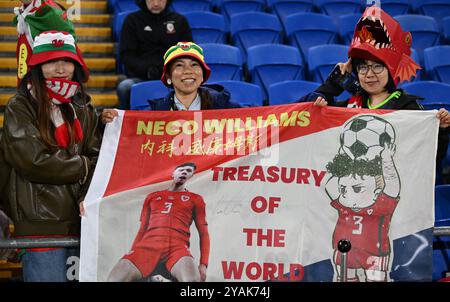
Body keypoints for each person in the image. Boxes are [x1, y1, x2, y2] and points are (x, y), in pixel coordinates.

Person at [0, 31, 101, 282]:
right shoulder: (20, 105)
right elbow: (34, 161)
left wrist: (87, 194)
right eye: (50, 61)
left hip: (84, 222)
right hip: (39, 224)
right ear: (37, 66)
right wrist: (83, 167)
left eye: (67, 61)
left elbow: (98, 156)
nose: (60, 68)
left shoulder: (83, 105)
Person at [301, 6, 450, 161]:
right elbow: (306, 109)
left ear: (391, 70)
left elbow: (430, 157)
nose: (369, 74)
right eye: (363, 67)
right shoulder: (350, 105)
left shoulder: (408, 107)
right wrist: (337, 81)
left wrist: (442, 130)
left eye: (377, 66)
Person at [107, 162, 210, 282]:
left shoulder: (195, 198)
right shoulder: (152, 196)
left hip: (177, 249)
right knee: (114, 279)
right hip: (148, 247)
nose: (184, 172)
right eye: (181, 170)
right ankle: (149, 276)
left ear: (191, 176)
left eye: (188, 171)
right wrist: (133, 251)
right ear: (173, 173)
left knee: (192, 280)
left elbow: (203, 233)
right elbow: (143, 228)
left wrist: (203, 265)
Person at [101, 41, 241, 123]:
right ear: (168, 76)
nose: (188, 71)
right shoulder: (155, 113)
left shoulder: (224, 106)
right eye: (179, 65)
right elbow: (130, 130)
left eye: (194, 65)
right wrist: (111, 120)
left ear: (203, 75)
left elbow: (254, 120)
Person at [117, 0, 193, 110]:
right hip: (140, 77)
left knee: (198, 87)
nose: (156, 3)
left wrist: (169, 70)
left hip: (173, 77)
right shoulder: (132, 20)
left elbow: (187, 53)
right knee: (124, 87)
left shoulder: (179, 21)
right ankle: (124, 123)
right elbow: (127, 55)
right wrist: (147, 70)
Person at [14, 0, 80, 86]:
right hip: (29, 84)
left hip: (44, 89)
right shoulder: (29, 9)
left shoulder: (50, 11)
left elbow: (69, 53)